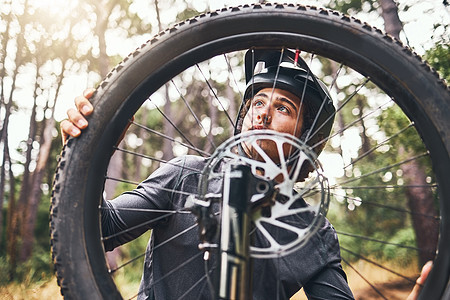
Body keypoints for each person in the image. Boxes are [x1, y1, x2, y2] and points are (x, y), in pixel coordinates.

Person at [60, 49, 431, 299]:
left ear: (305, 138)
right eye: (256, 102)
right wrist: (90, 150)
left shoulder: (311, 229)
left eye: (283, 107)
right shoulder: (185, 175)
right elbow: (100, 230)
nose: (262, 115)